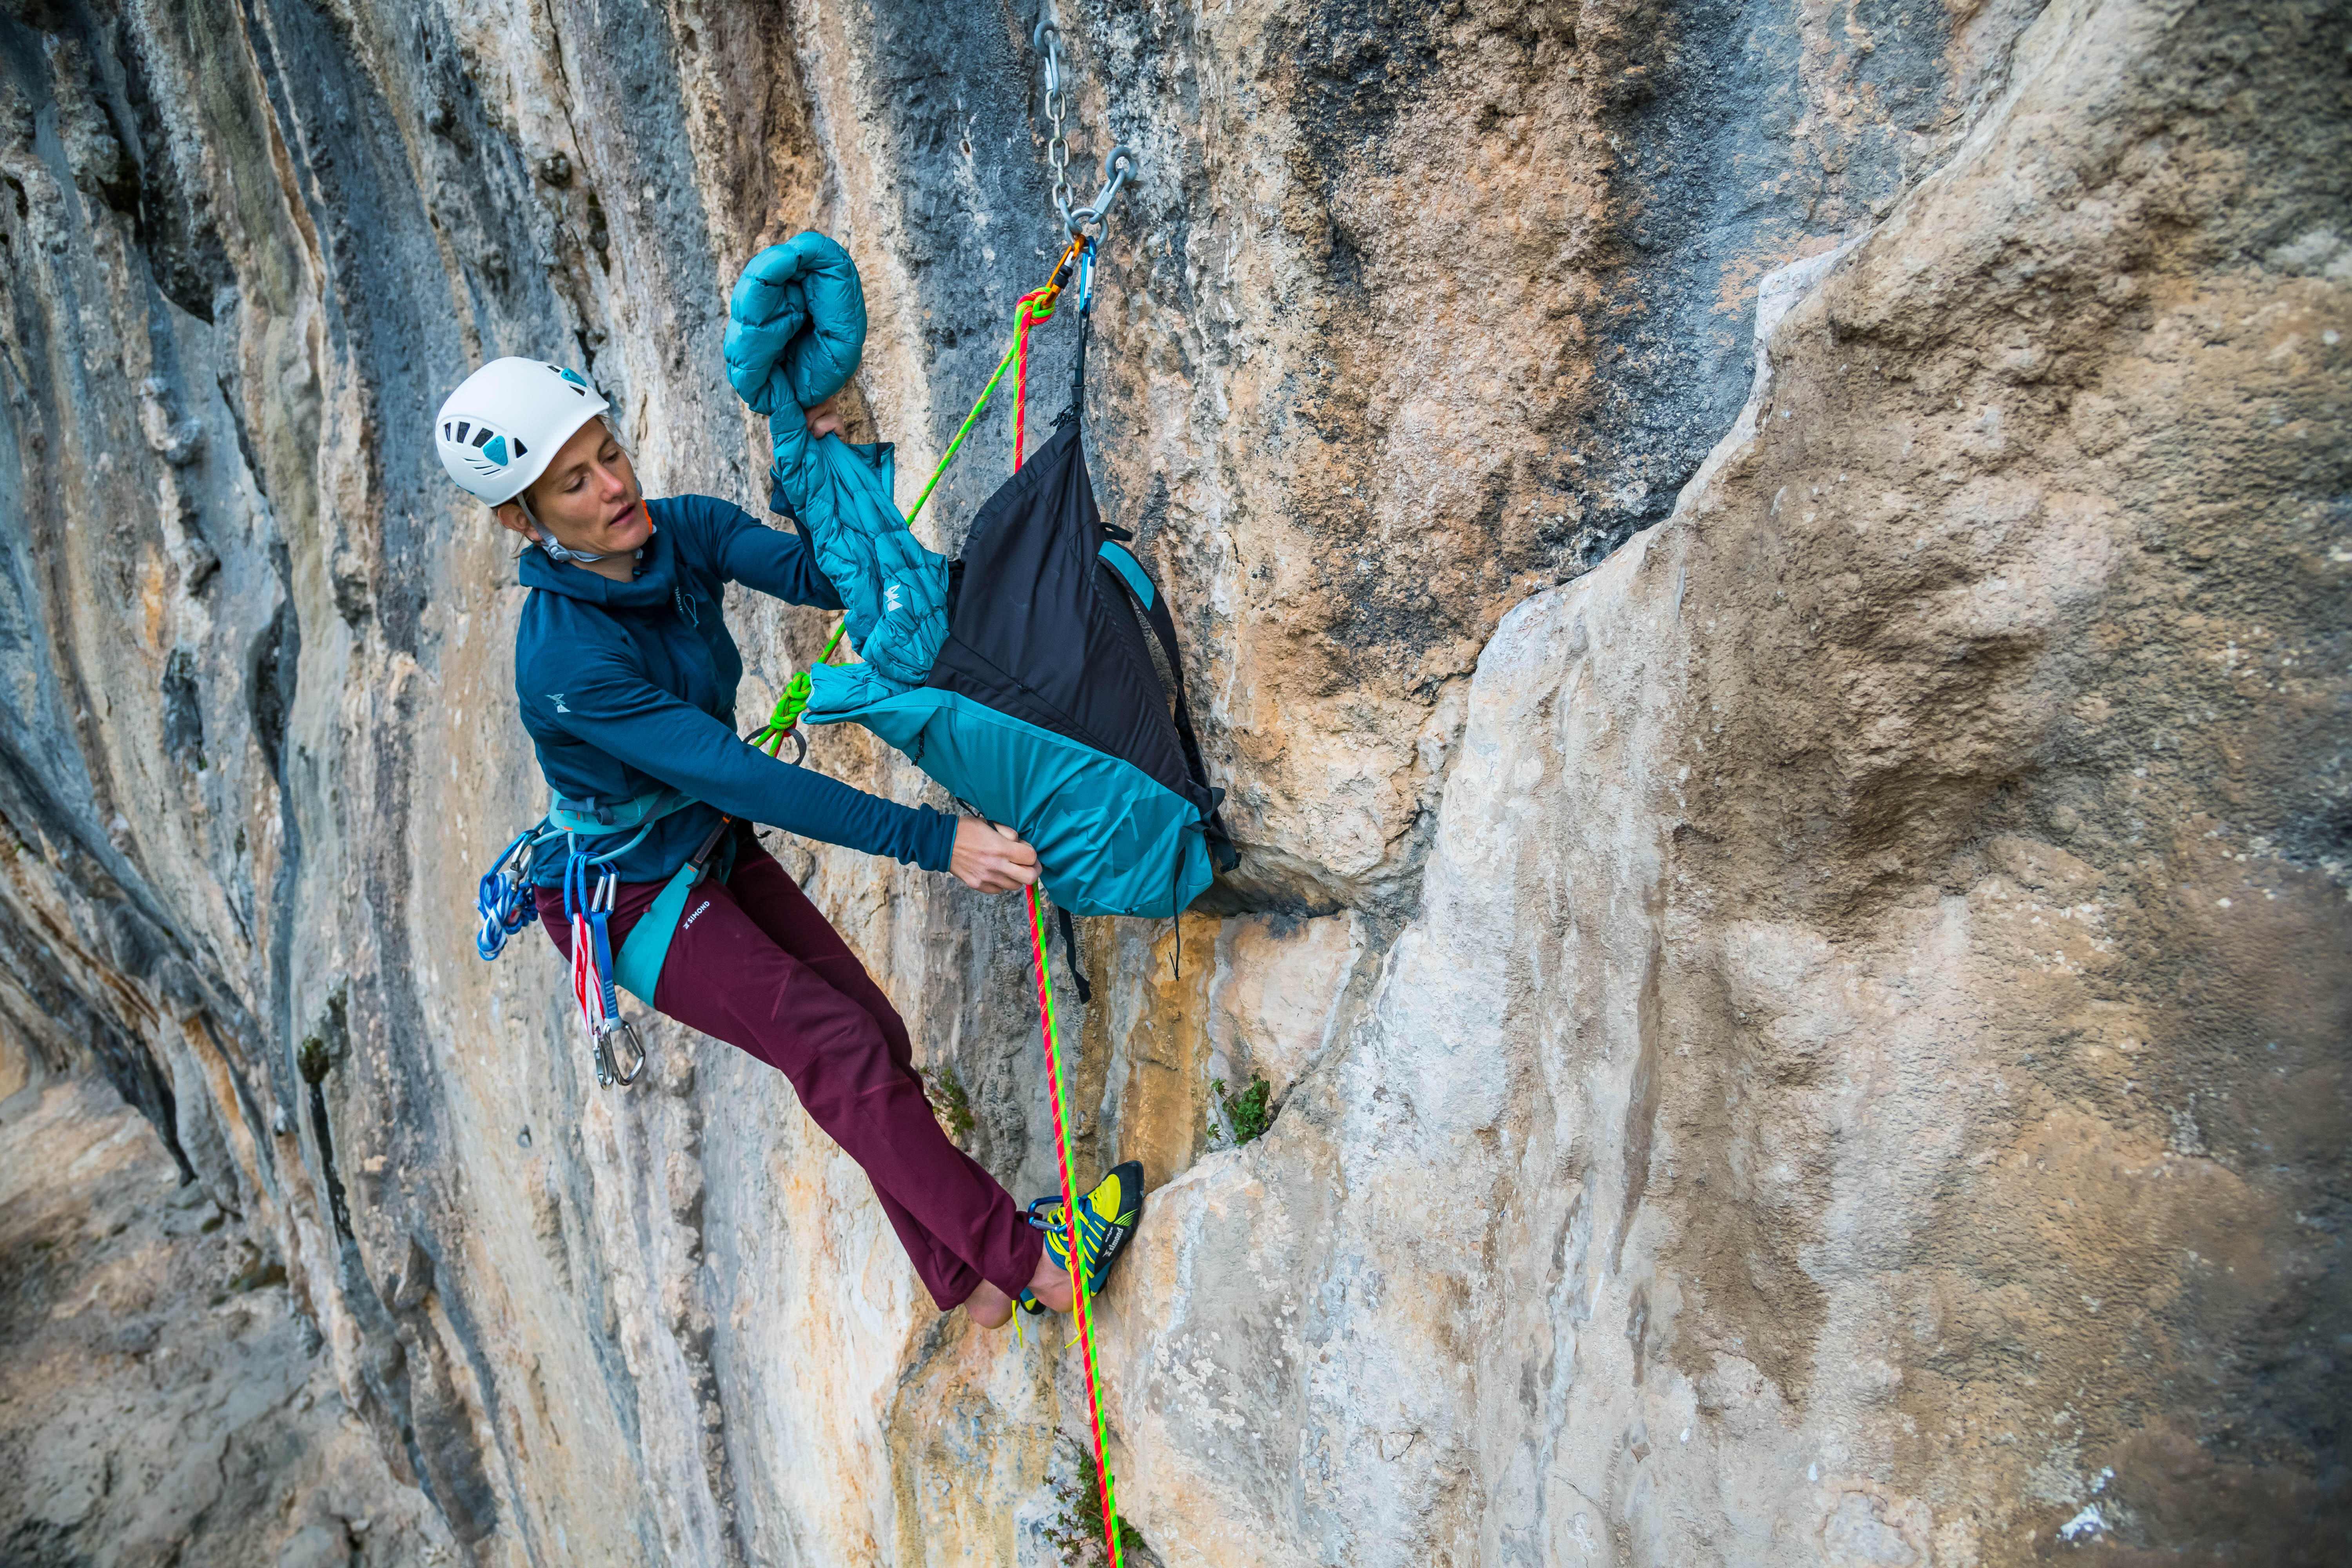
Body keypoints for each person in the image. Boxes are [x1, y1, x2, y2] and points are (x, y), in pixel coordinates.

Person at [435, 357, 1140, 1327]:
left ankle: (967, 1279)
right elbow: (741, 775)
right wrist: (938, 841)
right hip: (633, 897)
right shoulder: (565, 663)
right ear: (525, 522)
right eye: (576, 483)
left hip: (700, 843)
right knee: (839, 1047)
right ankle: (1034, 1265)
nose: (615, 485)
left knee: (875, 1037)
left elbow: (824, 576)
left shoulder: (677, 530)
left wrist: (809, 463)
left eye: (610, 452)